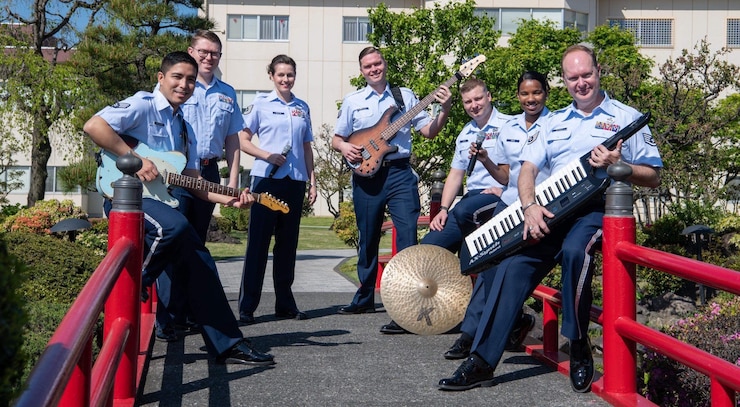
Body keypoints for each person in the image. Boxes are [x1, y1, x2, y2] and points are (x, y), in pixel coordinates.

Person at [438, 44, 662, 392]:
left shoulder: (625, 117)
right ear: (565, 81)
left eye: (586, 74)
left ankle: (577, 344)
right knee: (511, 268)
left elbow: (653, 175)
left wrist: (619, 166)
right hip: (548, 211)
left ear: (598, 71)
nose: (581, 83)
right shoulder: (553, 120)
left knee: (576, 252)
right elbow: (527, 170)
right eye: (573, 78)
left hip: (594, 212)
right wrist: (529, 207)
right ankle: (481, 361)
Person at [84, 51, 275, 366]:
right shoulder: (143, 104)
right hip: (125, 197)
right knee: (175, 226)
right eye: (177, 77)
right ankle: (138, 280)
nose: (184, 84)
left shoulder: (185, 127)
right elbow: (95, 126)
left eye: (190, 79)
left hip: (158, 201)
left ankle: (228, 344)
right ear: (161, 78)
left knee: (201, 261)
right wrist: (134, 159)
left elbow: (192, 180)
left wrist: (225, 196)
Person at [332, 46, 452, 322]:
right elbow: (336, 137)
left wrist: (444, 110)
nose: (374, 69)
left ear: (385, 64)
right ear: (361, 71)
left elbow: (428, 132)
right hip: (366, 175)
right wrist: (344, 148)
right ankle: (363, 298)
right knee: (368, 237)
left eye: (378, 63)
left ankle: (410, 299)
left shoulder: (405, 96)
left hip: (399, 172)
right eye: (368, 66)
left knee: (408, 236)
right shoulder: (352, 101)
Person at [442, 71, 552, 358]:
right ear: (518, 97)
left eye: (536, 93)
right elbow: (505, 177)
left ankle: (481, 333)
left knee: (501, 266)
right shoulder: (512, 127)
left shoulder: (557, 124)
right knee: (489, 262)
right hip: (511, 205)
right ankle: (470, 334)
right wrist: (486, 160)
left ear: (546, 93)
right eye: (525, 94)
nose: (530, 99)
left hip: (542, 207)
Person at [154, 29, 248, 342]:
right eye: (203, 52)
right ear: (191, 51)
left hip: (208, 171)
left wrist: (232, 180)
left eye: (215, 53)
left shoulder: (227, 93)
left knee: (195, 241)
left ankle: (187, 314)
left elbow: (233, 138)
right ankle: (167, 319)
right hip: (175, 174)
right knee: (175, 238)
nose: (209, 58)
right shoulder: (179, 87)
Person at [238, 54, 317, 324]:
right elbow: (242, 140)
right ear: (271, 75)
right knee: (258, 244)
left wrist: (312, 180)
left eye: (290, 74)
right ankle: (248, 305)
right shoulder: (260, 104)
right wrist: (266, 155)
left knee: (287, 245)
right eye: (281, 74)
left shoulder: (302, 107)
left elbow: (307, 147)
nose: (286, 79)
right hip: (266, 180)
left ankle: (285, 303)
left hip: (294, 182)